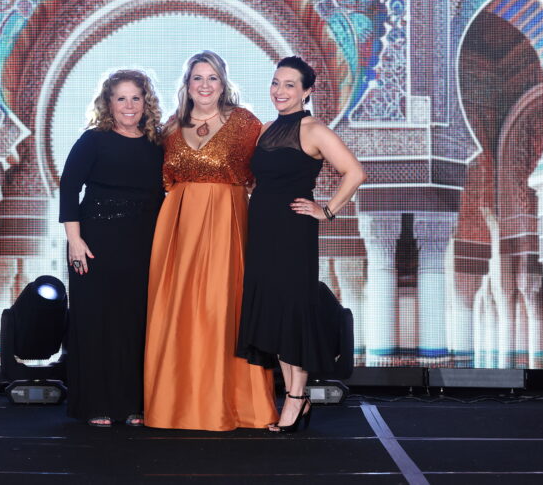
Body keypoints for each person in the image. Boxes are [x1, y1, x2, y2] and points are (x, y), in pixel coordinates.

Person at [144, 50, 278, 431]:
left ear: (223, 83)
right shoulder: (169, 128)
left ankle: (232, 404)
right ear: (187, 84)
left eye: (212, 78)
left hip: (227, 222)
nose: (204, 85)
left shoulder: (246, 123)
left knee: (223, 308)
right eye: (197, 78)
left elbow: (267, 172)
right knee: (178, 308)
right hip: (178, 229)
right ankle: (175, 403)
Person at [237, 56, 366, 433]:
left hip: (293, 233)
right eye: (276, 83)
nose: (280, 91)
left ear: (307, 91)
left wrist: (326, 210)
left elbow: (355, 172)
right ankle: (298, 396)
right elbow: (260, 179)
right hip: (261, 230)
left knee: (292, 311)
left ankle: (295, 397)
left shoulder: (313, 130)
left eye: (290, 84)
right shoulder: (263, 130)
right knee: (275, 311)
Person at [59, 69, 165, 427]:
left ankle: (134, 404)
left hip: (143, 246)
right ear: (108, 102)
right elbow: (69, 188)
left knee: (135, 325)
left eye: (136, 97)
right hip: (94, 246)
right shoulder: (94, 140)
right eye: (121, 98)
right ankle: (95, 404)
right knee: (95, 322)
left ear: (146, 101)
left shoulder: (156, 144)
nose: (129, 105)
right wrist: (75, 241)